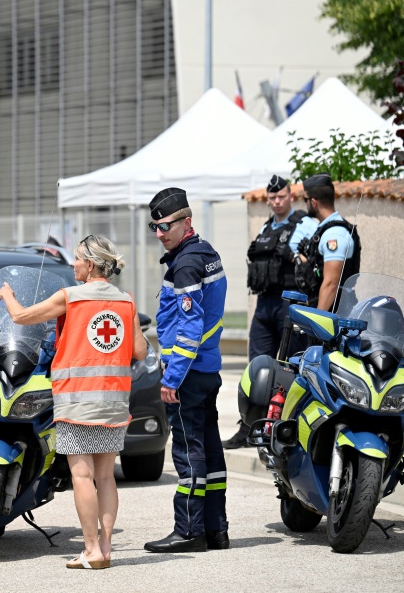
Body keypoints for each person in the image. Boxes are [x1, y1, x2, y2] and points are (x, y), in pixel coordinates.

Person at [0, 234, 147, 570]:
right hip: (113, 402)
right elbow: (139, 351)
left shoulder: (71, 297)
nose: (73, 264)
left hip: (77, 401)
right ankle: (105, 549)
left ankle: (90, 550)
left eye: (77, 259)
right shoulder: (126, 301)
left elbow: (21, 318)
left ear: (90, 264)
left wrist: (7, 295)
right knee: (105, 477)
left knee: (82, 475)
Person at [143, 188, 230, 554]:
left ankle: (189, 530)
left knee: (188, 451)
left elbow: (189, 328)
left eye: (166, 226)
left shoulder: (187, 265)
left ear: (186, 222)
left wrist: (172, 377)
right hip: (207, 369)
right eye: (155, 227)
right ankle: (216, 529)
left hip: (189, 373)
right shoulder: (206, 254)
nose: (160, 233)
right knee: (209, 449)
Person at [224, 174, 316, 449]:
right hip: (264, 304)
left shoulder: (306, 224)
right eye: (272, 197)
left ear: (291, 196)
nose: (277, 201)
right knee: (257, 368)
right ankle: (249, 428)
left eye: (281, 196)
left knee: (292, 366)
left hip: (291, 303)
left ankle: (290, 429)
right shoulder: (266, 227)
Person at [294, 173, 361, 312]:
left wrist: (318, 320)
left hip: (335, 312)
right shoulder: (325, 229)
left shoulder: (334, 234)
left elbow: (331, 283)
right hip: (326, 308)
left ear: (313, 202)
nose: (305, 204)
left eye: (305, 200)